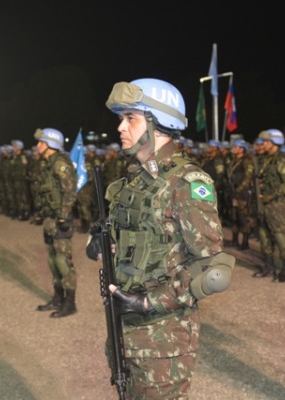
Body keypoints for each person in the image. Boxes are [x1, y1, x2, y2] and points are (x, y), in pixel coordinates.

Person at [97, 78, 235, 398]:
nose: (120, 127)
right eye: (121, 118)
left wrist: (148, 301)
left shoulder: (186, 182)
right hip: (122, 330)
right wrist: (103, 245)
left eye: (130, 118)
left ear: (159, 123)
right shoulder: (129, 184)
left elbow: (212, 271)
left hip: (163, 341)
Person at [33, 128, 78, 318]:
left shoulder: (60, 164)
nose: (37, 145)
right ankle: (58, 298)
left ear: (49, 144)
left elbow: (70, 191)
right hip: (49, 218)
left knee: (62, 260)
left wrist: (63, 216)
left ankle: (70, 303)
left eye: (40, 142)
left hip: (60, 218)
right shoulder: (48, 164)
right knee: (52, 260)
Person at [253, 129, 285, 281]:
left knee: (280, 236)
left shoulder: (281, 161)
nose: (263, 144)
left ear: (274, 143)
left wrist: (273, 195)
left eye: (266, 142)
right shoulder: (265, 160)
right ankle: (269, 266)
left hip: (275, 205)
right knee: (264, 235)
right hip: (262, 204)